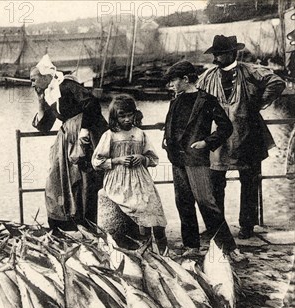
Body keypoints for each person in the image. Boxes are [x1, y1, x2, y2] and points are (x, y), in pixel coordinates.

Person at [197, 35, 286, 239]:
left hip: (248, 135)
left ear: (232, 53)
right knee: (215, 183)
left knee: (249, 181)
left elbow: (277, 82)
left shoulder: (250, 71)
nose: (217, 58)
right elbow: (195, 99)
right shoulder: (208, 77)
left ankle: (247, 225)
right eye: (215, 54)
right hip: (218, 138)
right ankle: (216, 227)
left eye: (221, 54)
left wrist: (258, 103)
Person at [163, 60, 237, 257]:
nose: (171, 85)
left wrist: (207, 142)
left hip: (196, 159)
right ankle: (191, 247)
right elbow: (172, 124)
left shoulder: (207, 100)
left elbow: (226, 128)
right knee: (184, 203)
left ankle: (228, 248)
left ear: (186, 79)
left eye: (174, 81)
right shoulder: (175, 100)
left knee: (206, 202)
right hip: (177, 159)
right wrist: (166, 138)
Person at [30, 54, 108, 231]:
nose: (32, 84)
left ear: (45, 76)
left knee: (87, 179)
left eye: (34, 80)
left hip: (86, 135)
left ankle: (90, 224)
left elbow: (92, 103)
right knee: (56, 178)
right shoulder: (51, 92)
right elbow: (44, 126)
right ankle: (65, 223)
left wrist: (85, 129)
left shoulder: (66, 85)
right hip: (68, 138)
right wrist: (40, 102)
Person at [92, 95, 167, 252]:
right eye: (122, 116)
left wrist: (142, 158)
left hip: (140, 177)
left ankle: (159, 249)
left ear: (135, 114)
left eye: (129, 115)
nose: (127, 119)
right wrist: (118, 160)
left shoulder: (140, 134)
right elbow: (96, 162)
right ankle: (140, 244)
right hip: (117, 178)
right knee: (137, 206)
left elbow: (153, 159)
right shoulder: (110, 135)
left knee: (154, 207)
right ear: (115, 116)